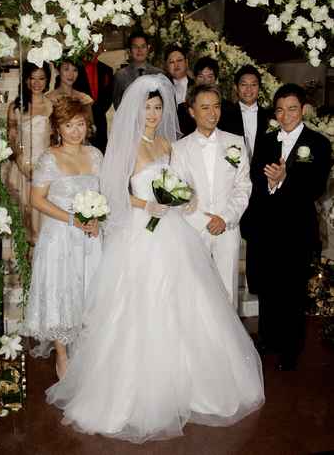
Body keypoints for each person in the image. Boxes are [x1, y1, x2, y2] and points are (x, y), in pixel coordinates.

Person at [46, 75, 264, 443]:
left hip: (172, 230)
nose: (152, 112)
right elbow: (114, 190)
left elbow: (179, 182)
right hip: (140, 232)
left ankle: (194, 384)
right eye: (146, 107)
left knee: (187, 301)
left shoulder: (167, 143)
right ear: (135, 109)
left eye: (158, 106)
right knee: (142, 306)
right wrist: (145, 203)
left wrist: (187, 199)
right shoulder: (127, 145)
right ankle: (137, 392)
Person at [244, 84, 333, 371]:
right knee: (269, 287)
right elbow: (255, 179)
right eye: (280, 109)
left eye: (292, 109)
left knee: (292, 291)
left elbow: (317, 187)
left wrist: (284, 180)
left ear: (303, 110)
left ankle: (292, 347)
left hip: (297, 230)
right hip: (266, 228)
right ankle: (269, 338)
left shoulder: (319, 144)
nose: (286, 115)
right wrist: (269, 184)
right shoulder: (267, 140)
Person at [20, 96, 103, 380]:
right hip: (59, 237)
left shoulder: (95, 156)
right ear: (58, 127)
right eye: (69, 124)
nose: (76, 130)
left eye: (80, 123)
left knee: (88, 292)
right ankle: (63, 356)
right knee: (61, 292)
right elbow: (36, 199)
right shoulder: (49, 158)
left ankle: (90, 351)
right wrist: (72, 219)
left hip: (90, 239)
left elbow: (104, 196)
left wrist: (97, 221)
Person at [171, 84, 252, 308]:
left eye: (216, 106)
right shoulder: (178, 149)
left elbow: (243, 186)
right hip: (194, 230)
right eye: (205, 107)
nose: (212, 113)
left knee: (228, 293)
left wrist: (224, 218)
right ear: (192, 111)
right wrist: (205, 221)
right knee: (196, 293)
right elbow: (177, 193)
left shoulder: (235, 142)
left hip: (228, 228)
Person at [6, 60, 53, 245]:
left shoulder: (53, 106)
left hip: (46, 170)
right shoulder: (15, 107)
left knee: (44, 220)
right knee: (23, 219)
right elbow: (11, 139)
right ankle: (24, 270)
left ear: (47, 80)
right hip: (22, 170)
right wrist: (19, 163)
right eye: (32, 78)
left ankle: (40, 268)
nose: (36, 83)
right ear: (25, 80)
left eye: (41, 78)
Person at [219, 65, 272, 164]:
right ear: (236, 87)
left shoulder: (269, 117)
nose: (249, 89)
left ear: (259, 87)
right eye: (244, 84)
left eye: (253, 84)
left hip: (262, 174)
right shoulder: (224, 116)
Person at [72, 27, 113, 154]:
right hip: (75, 126)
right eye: (90, 41)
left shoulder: (107, 70)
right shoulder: (72, 68)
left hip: (100, 127)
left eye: (98, 42)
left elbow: (107, 100)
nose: (95, 46)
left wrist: (94, 120)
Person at [113, 30, 164, 110]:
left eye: (143, 46)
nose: (140, 50)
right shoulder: (120, 75)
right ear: (129, 51)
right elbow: (118, 106)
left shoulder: (159, 74)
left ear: (148, 49)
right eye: (135, 47)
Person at [46, 53, 95, 130]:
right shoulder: (47, 99)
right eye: (66, 69)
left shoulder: (84, 99)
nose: (71, 74)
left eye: (75, 70)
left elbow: (91, 128)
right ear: (57, 71)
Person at [165, 44, 195, 137]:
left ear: (186, 62)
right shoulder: (162, 88)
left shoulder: (197, 86)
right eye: (171, 62)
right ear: (166, 66)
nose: (176, 64)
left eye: (179, 60)